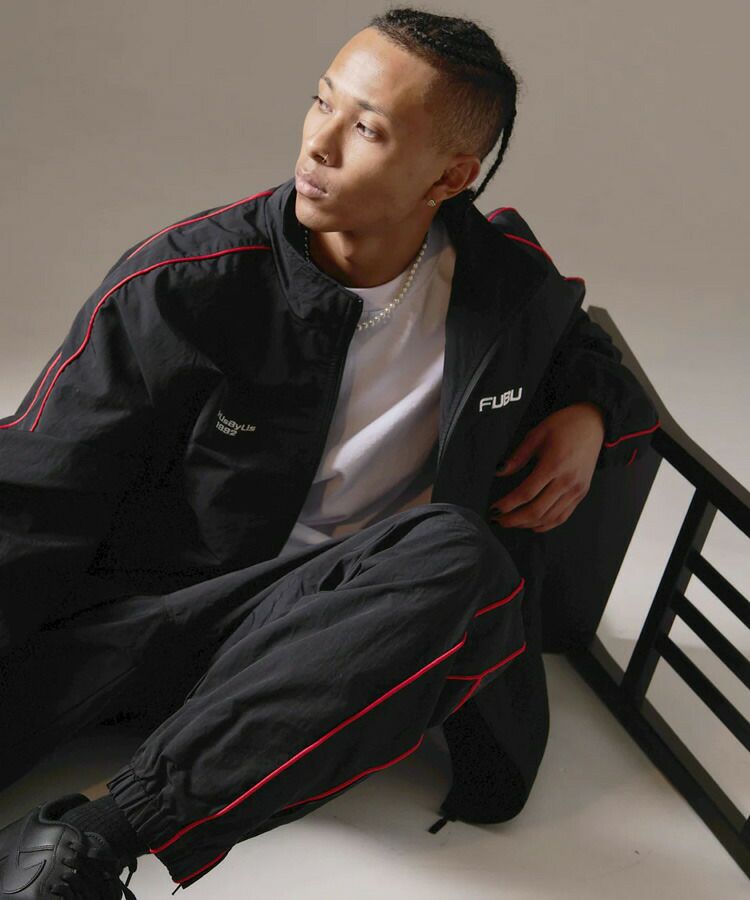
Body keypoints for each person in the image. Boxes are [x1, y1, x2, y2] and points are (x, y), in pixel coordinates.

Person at [0, 8, 659, 897]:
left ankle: (91, 840)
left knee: (460, 555)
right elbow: (37, 493)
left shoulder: (507, 286)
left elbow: (589, 349)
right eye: (321, 102)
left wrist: (589, 413)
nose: (318, 143)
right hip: (156, 619)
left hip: (337, 632)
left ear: (451, 176)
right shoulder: (185, 285)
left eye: (368, 129)